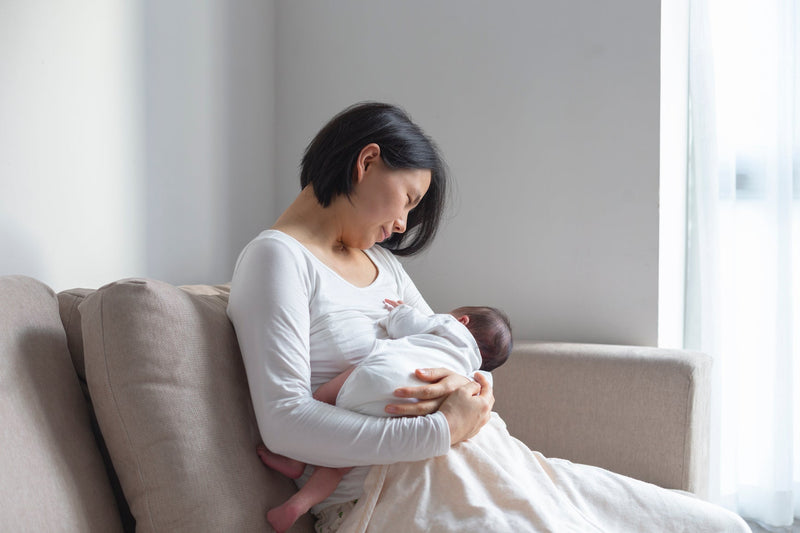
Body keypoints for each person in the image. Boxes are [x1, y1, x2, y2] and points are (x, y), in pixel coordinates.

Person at [227, 102, 749, 532]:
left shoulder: (382, 264)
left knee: (715, 525)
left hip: (493, 457)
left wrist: (476, 392)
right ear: (366, 162)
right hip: (395, 489)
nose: (403, 223)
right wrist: (441, 430)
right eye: (407, 199)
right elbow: (286, 423)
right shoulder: (278, 259)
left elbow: (445, 347)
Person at [256, 298, 513, 532]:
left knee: (322, 399)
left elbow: (406, 324)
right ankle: (297, 506)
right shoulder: (471, 371)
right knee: (340, 463)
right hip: (412, 403)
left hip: (380, 374)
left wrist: (399, 311)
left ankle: (295, 460)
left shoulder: (449, 325)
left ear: (462, 320)